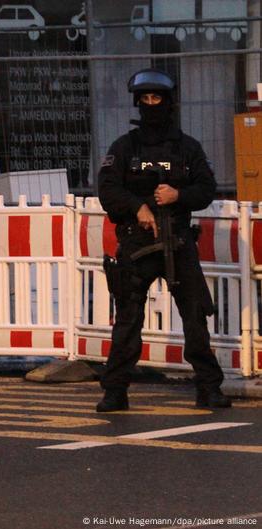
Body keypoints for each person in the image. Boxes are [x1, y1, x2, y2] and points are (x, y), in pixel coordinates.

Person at [97, 68, 231, 412]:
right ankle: (115, 391)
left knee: (195, 316)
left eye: (157, 99)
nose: (151, 105)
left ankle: (209, 388)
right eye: (146, 99)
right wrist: (137, 206)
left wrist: (178, 195)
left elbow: (205, 188)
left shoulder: (188, 148)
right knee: (128, 319)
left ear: (168, 103)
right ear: (138, 103)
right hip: (137, 241)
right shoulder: (124, 147)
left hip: (178, 240)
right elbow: (108, 189)